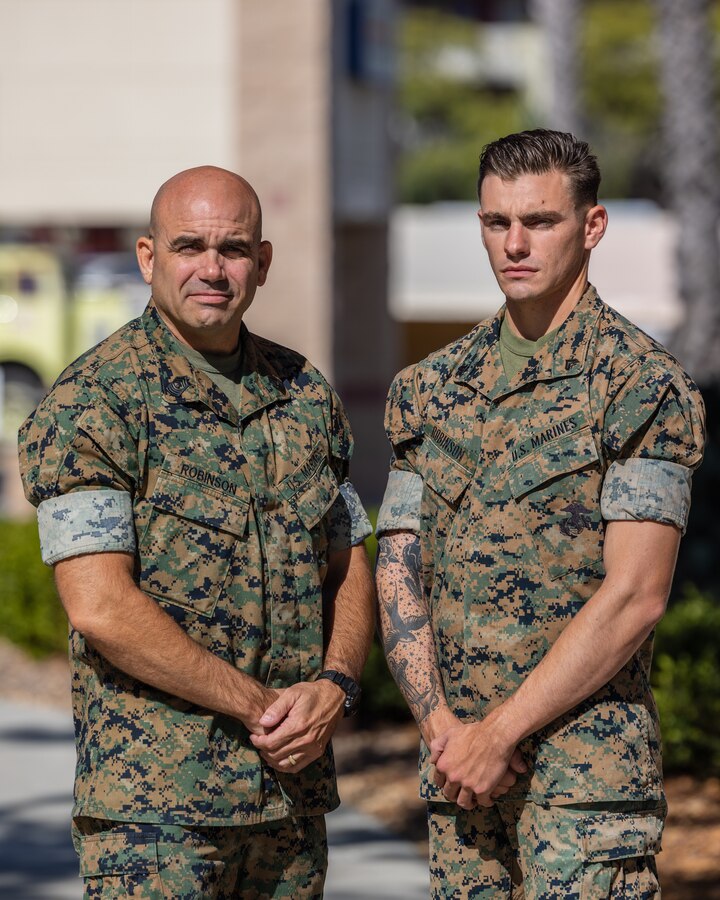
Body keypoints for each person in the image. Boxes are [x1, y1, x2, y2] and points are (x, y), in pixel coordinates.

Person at [18, 166, 375, 898]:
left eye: (234, 249)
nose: (213, 269)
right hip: (156, 817)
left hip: (289, 807)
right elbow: (99, 606)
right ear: (149, 258)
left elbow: (347, 560)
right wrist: (262, 706)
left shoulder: (304, 395)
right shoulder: (95, 403)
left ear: (262, 263)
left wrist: (336, 685)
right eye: (190, 246)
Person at [375, 129, 705, 898]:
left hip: (584, 790)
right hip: (459, 782)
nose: (514, 243)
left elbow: (635, 596)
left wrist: (499, 733)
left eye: (540, 222)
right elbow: (397, 567)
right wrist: (443, 732)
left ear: (591, 227)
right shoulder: (428, 391)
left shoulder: (639, 386)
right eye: (497, 223)